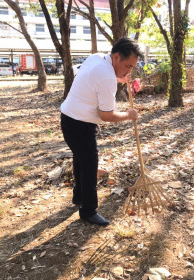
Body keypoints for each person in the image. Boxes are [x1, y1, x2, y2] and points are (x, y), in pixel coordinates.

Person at [60, 37, 143, 226]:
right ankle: (88, 210)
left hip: (69, 118)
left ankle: (79, 197)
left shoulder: (97, 58)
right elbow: (106, 115)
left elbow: (96, 79)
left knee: (81, 159)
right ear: (116, 57)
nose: (129, 71)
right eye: (128, 66)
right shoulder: (107, 77)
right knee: (90, 165)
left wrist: (119, 77)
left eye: (132, 68)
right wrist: (129, 115)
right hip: (79, 124)